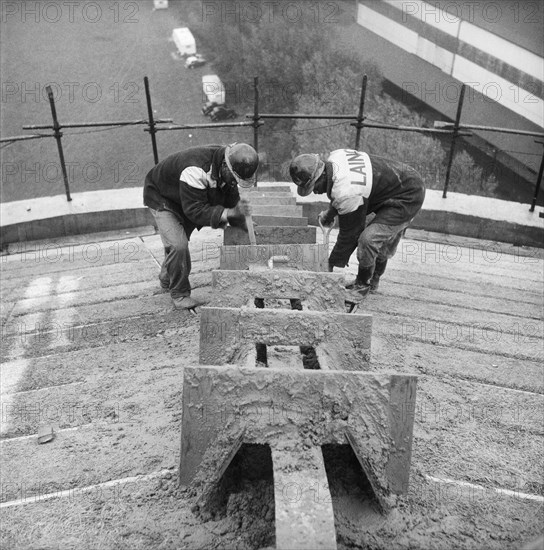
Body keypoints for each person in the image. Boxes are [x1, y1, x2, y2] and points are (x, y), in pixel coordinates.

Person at [289, 148, 425, 297]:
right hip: (395, 182)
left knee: (369, 239)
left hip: (409, 195)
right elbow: (339, 191)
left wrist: (330, 264)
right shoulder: (336, 156)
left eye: (313, 187)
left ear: (322, 176)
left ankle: (363, 284)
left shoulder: (348, 192)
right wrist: (330, 213)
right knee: (372, 234)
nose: (314, 192)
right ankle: (371, 279)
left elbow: (350, 234)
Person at [144, 142, 259, 309]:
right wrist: (230, 213)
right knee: (178, 245)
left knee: (177, 243)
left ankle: (167, 278)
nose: (235, 183)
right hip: (163, 197)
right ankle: (180, 294)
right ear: (226, 167)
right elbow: (195, 211)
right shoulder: (195, 170)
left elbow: (231, 201)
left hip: (187, 197)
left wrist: (243, 221)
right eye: (235, 179)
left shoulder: (228, 166)